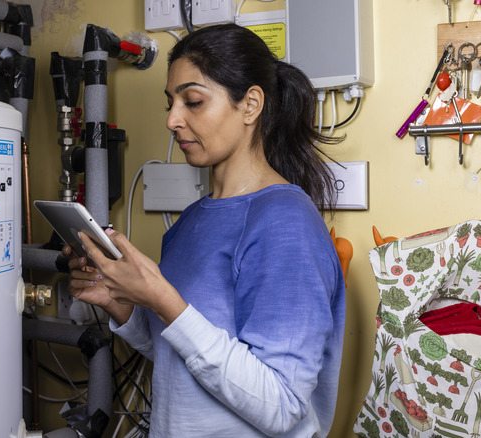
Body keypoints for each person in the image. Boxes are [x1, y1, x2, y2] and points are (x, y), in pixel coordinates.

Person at [66, 23, 346, 437]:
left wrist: (162, 298)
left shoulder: (287, 223)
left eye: (193, 101)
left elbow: (283, 405)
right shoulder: (194, 220)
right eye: (171, 103)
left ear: (250, 105)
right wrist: (121, 302)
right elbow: (179, 353)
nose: (173, 120)